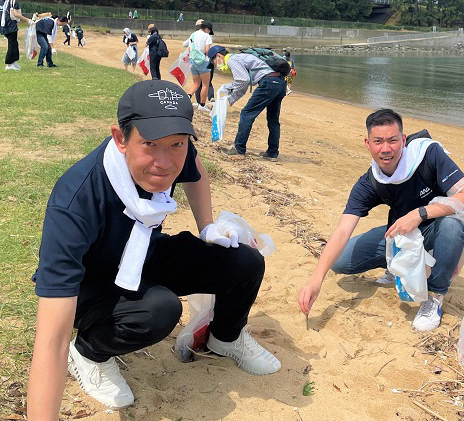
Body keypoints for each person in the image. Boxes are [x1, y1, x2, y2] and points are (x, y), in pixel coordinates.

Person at [25, 80, 281, 418]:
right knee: (159, 311)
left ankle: (226, 339)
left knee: (244, 261)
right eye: (149, 144)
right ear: (120, 139)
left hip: (143, 250)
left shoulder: (177, 152)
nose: (164, 162)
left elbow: (195, 170)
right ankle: (89, 353)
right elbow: (50, 341)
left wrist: (207, 227)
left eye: (176, 143)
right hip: (94, 283)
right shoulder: (75, 202)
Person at [297, 109, 464, 331]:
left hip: (436, 228)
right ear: (367, 143)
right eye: (378, 141)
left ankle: (434, 296)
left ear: (403, 140)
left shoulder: (427, 155)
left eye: (393, 140)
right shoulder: (370, 181)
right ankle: (396, 265)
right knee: (340, 261)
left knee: (453, 226)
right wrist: (315, 280)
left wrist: (420, 213)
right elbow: (343, 231)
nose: (386, 149)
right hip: (401, 234)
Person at [208, 46, 287, 161]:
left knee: (246, 114)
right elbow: (243, 85)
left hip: (268, 83)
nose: (215, 66)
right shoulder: (241, 57)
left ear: (218, 56)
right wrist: (230, 100)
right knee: (273, 119)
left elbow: (243, 80)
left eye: (214, 62)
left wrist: (227, 87)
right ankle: (272, 153)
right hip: (280, 83)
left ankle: (239, 149)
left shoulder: (232, 60)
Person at [182, 20, 213, 111]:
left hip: (192, 60)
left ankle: (187, 98)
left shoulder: (193, 34)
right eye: (209, 30)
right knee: (205, 85)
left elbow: (189, 47)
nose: (209, 32)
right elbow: (207, 50)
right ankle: (202, 105)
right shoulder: (207, 36)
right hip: (203, 62)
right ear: (206, 28)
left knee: (196, 83)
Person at [0, 0, 32, 70]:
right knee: (12, 45)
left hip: (3, 25)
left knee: (15, 44)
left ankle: (13, 62)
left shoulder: (1, 2)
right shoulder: (14, 2)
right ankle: (9, 64)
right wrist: (27, 20)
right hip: (10, 26)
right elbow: (16, 14)